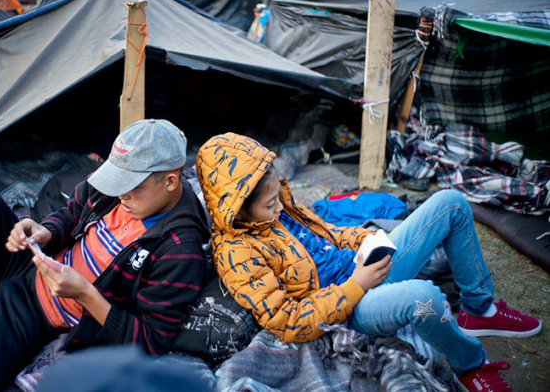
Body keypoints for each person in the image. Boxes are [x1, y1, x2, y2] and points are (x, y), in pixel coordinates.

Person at [0, 119, 210, 392]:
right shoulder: (118, 189)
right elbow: (72, 211)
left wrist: (85, 294)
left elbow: (150, 340)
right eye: (116, 180)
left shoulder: (180, 250)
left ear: (171, 181)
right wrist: (45, 230)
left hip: (38, 309)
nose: (120, 195)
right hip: (28, 260)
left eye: (131, 185)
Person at [195, 132, 541, 392]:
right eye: (270, 205)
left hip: (360, 270)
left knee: (450, 202)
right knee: (427, 298)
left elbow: (328, 232)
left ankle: (478, 310)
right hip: (347, 311)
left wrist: (366, 240)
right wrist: (356, 284)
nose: (280, 208)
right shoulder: (236, 253)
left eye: (277, 198)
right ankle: (471, 366)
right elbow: (286, 319)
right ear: (238, 210)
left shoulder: (276, 205)